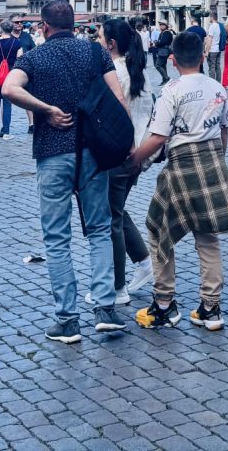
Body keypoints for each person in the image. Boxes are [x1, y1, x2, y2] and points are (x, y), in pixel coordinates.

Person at [0, 0, 129, 344]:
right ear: (74, 24)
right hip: (92, 151)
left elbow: (9, 88)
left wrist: (46, 110)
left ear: (44, 27)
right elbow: (118, 98)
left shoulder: (35, 57)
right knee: (100, 228)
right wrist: (125, 140)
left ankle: (68, 320)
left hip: (52, 152)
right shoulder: (94, 52)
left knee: (56, 238)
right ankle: (105, 309)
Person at [129, 30, 228, 333]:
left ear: (172, 60)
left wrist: (134, 160)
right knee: (207, 236)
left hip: (182, 164)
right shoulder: (217, 88)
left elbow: (159, 136)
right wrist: (218, 158)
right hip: (212, 162)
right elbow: (224, 130)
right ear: (203, 56)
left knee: (159, 230)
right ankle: (211, 308)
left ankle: (164, 305)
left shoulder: (172, 91)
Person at [104, 17, 153, 303]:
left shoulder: (115, 72)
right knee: (118, 211)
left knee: (112, 217)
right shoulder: (140, 73)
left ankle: (117, 287)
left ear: (111, 44)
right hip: (137, 154)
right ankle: (144, 262)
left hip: (117, 154)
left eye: (101, 39)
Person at [0, 21, 22, 140]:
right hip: (10, 77)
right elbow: (20, 60)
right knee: (7, 105)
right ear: (11, 30)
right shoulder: (17, 43)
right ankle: (6, 132)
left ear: (1, 29)